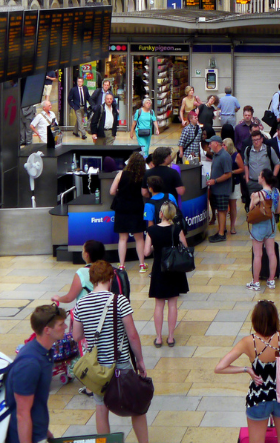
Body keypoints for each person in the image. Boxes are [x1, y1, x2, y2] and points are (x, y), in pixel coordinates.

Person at [69, 260, 148, 441]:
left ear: (92, 279)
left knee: (101, 409)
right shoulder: (120, 301)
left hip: (97, 369)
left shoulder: (81, 304)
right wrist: (140, 361)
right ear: (111, 278)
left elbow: (76, 336)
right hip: (121, 364)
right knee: (137, 407)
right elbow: (133, 336)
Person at [214, 300, 280, 443]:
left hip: (258, 397)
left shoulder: (248, 341)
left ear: (254, 319)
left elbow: (220, 367)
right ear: (275, 318)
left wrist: (246, 369)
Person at [7, 305, 67, 443]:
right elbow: (22, 414)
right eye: (61, 324)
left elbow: (36, 402)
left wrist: (45, 431)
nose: (65, 327)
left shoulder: (45, 352)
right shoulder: (29, 364)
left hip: (38, 433)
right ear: (47, 330)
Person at [143, 200, 189, 347]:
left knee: (159, 305)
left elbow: (146, 251)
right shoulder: (177, 229)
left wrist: (153, 248)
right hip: (174, 269)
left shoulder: (152, 230)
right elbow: (185, 246)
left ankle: (158, 338)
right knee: (173, 304)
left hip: (159, 269)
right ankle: (170, 337)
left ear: (161, 213)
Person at [110, 151, 148, 263]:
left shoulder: (121, 174)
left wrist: (120, 192)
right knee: (139, 238)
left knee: (122, 238)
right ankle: (142, 264)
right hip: (136, 208)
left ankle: (121, 265)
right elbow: (143, 193)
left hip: (121, 207)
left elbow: (112, 191)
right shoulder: (143, 176)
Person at [247, 168, 280, 292]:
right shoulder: (276, 192)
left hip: (259, 225)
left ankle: (256, 281)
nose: (258, 177)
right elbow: (277, 210)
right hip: (271, 224)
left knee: (258, 254)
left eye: (260, 175)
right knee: (271, 253)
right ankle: (271, 279)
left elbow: (250, 209)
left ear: (263, 178)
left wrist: (252, 199)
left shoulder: (258, 194)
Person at [52, 239, 111, 305]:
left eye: (83, 250)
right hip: (107, 308)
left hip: (87, 310)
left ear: (86, 255)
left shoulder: (82, 272)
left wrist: (58, 298)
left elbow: (69, 298)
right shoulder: (108, 269)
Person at [205, 136, 234, 242]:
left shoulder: (224, 156)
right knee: (219, 211)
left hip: (222, 189)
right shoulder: (216, 155)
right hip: (216, 189)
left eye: (210, 143)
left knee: (222, 211)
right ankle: (221, 230)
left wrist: (215, 181)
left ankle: (221, 234)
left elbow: (228, 174)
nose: (209, 145)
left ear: (216, 144)